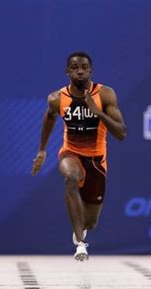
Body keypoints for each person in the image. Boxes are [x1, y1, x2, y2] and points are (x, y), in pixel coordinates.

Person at [31, 52, 126, 261]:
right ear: (67, 71)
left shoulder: (105, 94)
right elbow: (49, 116)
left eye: (84, 67)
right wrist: (42, 149)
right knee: (70, 177)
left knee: (90, 222)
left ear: (91, 70)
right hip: (71, 152)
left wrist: (98, 113)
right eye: (74, 67)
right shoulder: (57, 98)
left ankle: (81, 231)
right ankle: (81, 244)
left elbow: (121, 133)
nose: (80, 71)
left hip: (96, 160)